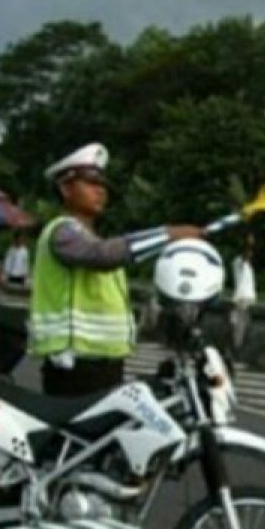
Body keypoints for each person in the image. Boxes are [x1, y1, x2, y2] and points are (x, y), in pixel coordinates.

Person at [31, 142, 203, 397]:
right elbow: (102, 256)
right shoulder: (62, 232)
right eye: (90, 183)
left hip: (105, 361)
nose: (100, 191)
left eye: (102, 185)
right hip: (74, 363)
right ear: (65, 188)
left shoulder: (94, 238)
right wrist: (168, 234)